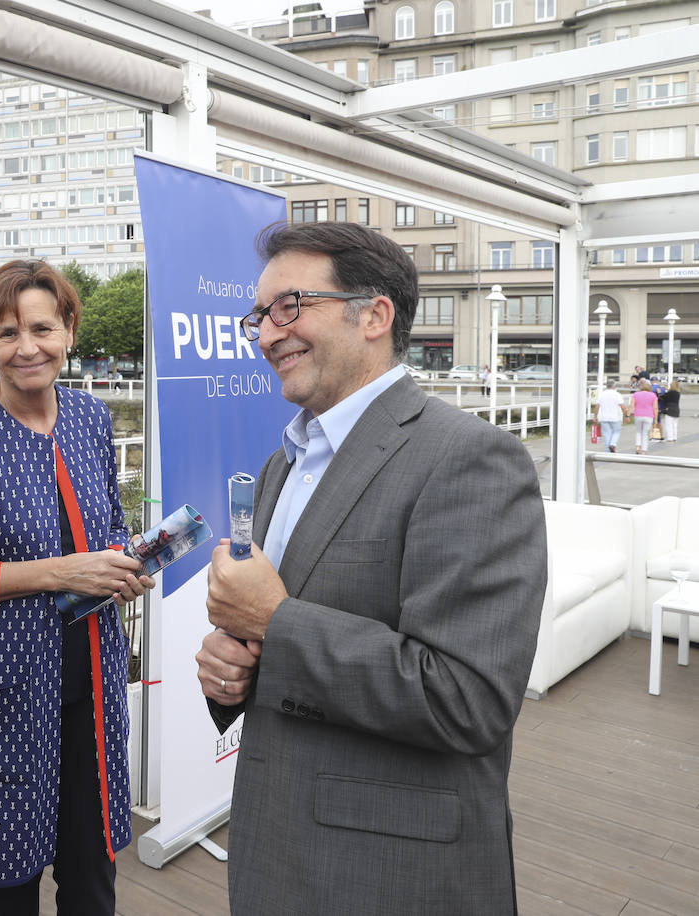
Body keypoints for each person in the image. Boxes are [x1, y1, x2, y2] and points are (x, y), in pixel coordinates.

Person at [195, 221, 547, 915]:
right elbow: (277, 646)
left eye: (291, 307)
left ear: (375, 315)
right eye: (260, 316)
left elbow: (466, 698)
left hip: (390, 875)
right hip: (274, 851)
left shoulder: (471, 458)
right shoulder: (280, 465)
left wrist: (275, 621)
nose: (267, 335)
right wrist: (231, 672)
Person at [0, 259, 154, 915]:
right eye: (7, 333)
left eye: (42, 328)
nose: (27, 348)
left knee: (91, 875)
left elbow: (112, 524)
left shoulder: (89, 418)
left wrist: (122, 565)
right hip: (9, 690)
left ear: (69, 330)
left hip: (94, 683)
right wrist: (59, 573)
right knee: (11, 880)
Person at [596, 380, 626, 452]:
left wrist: (595, 416)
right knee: (616, 431)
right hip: (616, 417)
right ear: (614, 386)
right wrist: (626, 415)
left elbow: (597, 406)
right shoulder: (617, 394)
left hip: (604, 417)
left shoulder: (601, 394)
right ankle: (613, 444)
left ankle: (608, 451)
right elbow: (622, 406)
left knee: (606, 434)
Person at [630, 380, 659, 453]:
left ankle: (637, 447)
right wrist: (656, 419)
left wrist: (629, 414)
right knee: (645, 433)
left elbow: (632, 406)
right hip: (649, 415)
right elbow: (655, 408)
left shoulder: (636, 394)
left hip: (638, 415)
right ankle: (644, 450)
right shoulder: (653, 395)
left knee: (638, 431)